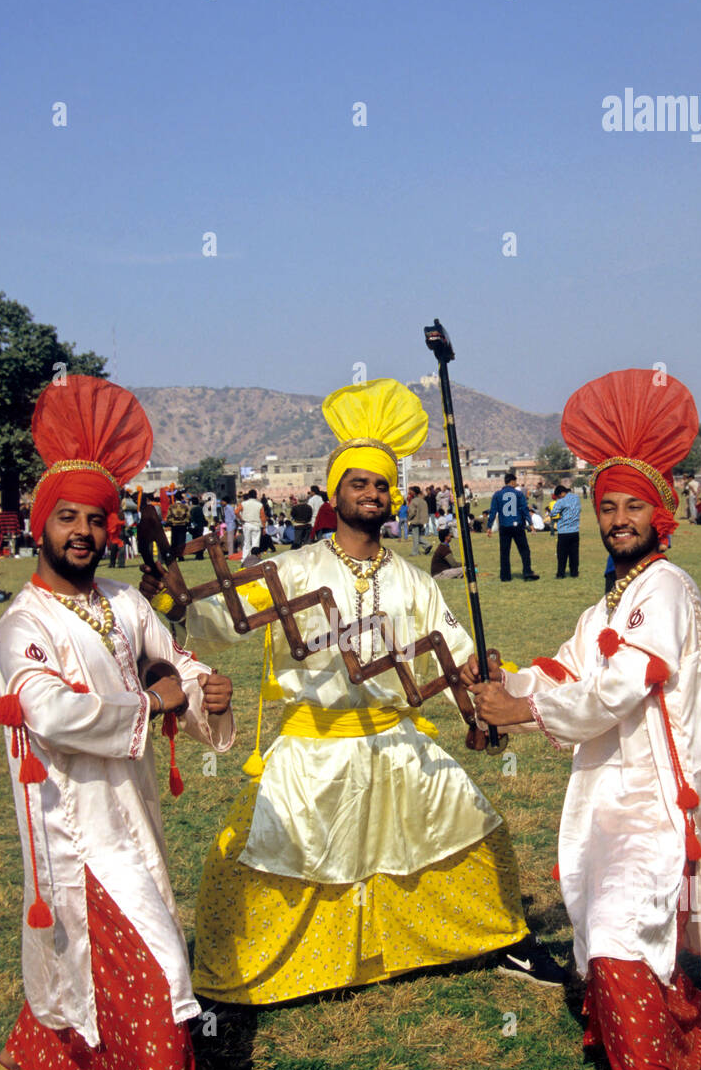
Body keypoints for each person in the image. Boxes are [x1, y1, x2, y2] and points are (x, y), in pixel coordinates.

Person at [142, 377, 565, 1007]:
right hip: (313, 747)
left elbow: (454, 656)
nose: (372, 493)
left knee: (474, 828)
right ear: (335, 493)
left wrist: (479, 702)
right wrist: (176, 606)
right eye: (358, 483)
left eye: (381, 484)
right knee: (257, 855)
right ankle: (237, 977)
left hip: (398, 741)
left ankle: (502, 938)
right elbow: (224, 621)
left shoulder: (416, 582)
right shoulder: (292, 570)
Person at [470, 368, 701, 1070]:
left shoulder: (664, 587)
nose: (617, 520)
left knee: (611, 940)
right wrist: (508, 688)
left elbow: (615, 688)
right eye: (606, 508)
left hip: (653, 803)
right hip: (609, 800)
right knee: (626, 938)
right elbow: (567, 668)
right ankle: (670, 1043)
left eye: (632, 506)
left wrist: (525, 713)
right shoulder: (609, 601)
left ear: (659, 511)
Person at [0, 375, 262, 1070]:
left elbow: (170, 658)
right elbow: (53, 714)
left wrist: (203, 688)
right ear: (42, 525)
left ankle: (44, 1052)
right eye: (67, 516)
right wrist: (156, 702)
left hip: (130, 815)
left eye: (96, 517)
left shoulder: (121, 601)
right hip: (75, 829)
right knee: (157, 972)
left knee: (100, 965)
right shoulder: (23, 626)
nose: (83, 531)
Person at [487, 473, 539, 581]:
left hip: (504, 526)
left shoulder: (497, 494)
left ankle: (505, 576)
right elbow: (524, 509)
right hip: (517, 525)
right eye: (515, 482)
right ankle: (527, 572)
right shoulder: (518, 494)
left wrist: (489, 527)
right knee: (524, 550)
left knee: (505, 552)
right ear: (512, 482)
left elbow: (493, 511)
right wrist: (531, 524)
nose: (516, 484)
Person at [549, 483, 581, 578]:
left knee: (562, 554)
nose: (558, 498)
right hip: (575, 530)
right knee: (574, 554)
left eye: (558, 496)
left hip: (564, 531)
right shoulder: (576, 498)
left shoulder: (561, 501)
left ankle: (561, 573)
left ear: (561, 493)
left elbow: (553, 513)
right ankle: (574, 572)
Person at [240, 490, 267, 557]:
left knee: (247, 543)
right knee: (256, 544)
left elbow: (236, 512)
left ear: (248, 496)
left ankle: (245, 558)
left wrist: (241, 518)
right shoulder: (260, 504)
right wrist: (263, 527)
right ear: (256, 495)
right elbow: (263, 517)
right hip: (256, 525)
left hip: (247, 524)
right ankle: (255, 558)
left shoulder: (243, 503)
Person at [406, 485, 430, 555]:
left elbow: (412, 512)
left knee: (415, 538)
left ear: (414, 492)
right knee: (418, 536)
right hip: (422, 521)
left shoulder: (414, 501)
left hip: (415, 521)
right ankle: (427, 545)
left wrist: (408, 518)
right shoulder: (422, 501)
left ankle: (415, 552)